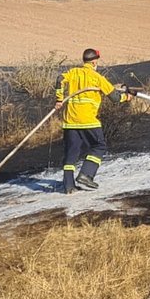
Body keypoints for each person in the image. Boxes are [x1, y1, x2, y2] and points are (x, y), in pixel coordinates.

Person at [54, 48, 135, 194]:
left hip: (70, 120)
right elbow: (115, 98)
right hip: (88, 120)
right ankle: (86, 175)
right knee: (99, 146)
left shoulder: (73, 73)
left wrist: (59, 99)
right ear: (94, 62)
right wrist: (127, 97)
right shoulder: (97, 78)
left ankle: (68, 187)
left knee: (71, 152)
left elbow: (59, 79)